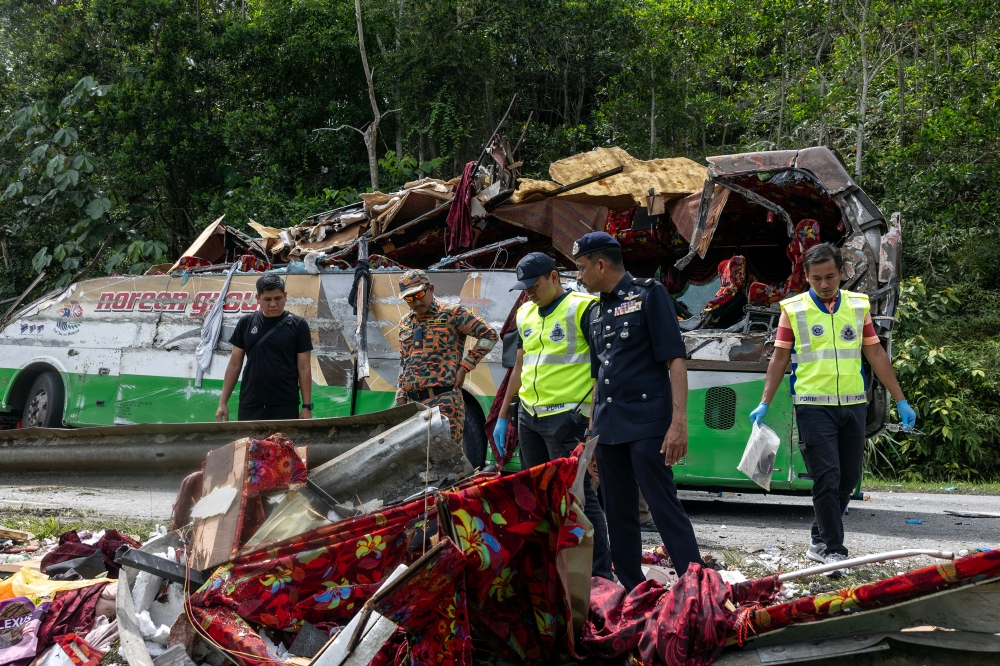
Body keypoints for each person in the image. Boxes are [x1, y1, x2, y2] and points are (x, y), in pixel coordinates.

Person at [750, 242, 917, 573]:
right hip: (813, 408)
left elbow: (876, 354)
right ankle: (834, 550)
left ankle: (818, 539)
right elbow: (779, 358)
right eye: (816, 279)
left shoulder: (857, 306)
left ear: (842, 273)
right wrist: (764, 401)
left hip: (854, 406)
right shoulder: (793, 310)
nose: (824, 285)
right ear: (807, 278)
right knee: (826, 476)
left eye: (830, 277)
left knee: (847, 479)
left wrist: (901, 399)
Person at [573, 232, 702, 590]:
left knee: (663, 507)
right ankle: (631, 587)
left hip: (648, 424)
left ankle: (696, 584)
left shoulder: (650, 294)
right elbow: (599, 376)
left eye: (582, 268)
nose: (579, 276)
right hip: (610, 428)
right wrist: (591, 435)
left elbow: (675, 359)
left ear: (600, 264)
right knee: (618, 512)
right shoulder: (595, 312)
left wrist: (679, 423)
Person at [493, 252, 614, 580]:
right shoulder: (525, 313)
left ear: (554, 277)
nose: (529, 292)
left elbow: (603, 370)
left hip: (567, 419)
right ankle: (551, 569)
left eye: (534, 285)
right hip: (529, 418)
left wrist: (592, 427)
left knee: (579, 498)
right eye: (524, 287)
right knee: (537, 496)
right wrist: (504, 415)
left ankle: (601, 575)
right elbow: (520, 366)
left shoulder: (583, 308)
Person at [395, 269, 499, 445]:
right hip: (413, 404)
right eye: (409, 298)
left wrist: (465, 366)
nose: (416, 301)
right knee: (419, 463)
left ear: (431, 288)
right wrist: (401, 394)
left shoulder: (453, 313)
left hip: (443, 401)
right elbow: (405, 360)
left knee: (448, 462)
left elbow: (489, 335)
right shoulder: (405, 322)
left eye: (419, 294)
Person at [216, 274, 314, 421]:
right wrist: (222, 403)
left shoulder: (299, 325)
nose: (273, 304)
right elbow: (235, 364)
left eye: (278, 298)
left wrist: (306, 406)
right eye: (267, 299)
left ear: (285, 296)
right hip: (251, 402)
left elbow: (304, 367)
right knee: (249, 444)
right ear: (258, 298)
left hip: (285, 403)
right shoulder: (245, 323)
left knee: (283, 444)